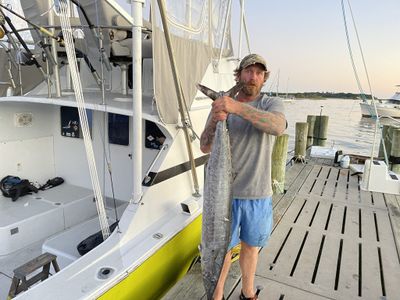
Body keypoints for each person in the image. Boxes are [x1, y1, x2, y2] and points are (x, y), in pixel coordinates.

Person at [200, 54, 286, 300]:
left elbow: (277, 127)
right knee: (221, 248)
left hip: (257, 194)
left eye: (259, 73)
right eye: (248, 71)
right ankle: (216, 294)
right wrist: (215, 119)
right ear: (239, 75)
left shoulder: (270, 104)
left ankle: (247, 292)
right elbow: (205, 147)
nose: (253, 77)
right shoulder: (221, 106)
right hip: (222, 197)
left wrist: (235, 107)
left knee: (251, 245)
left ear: (264, 78)